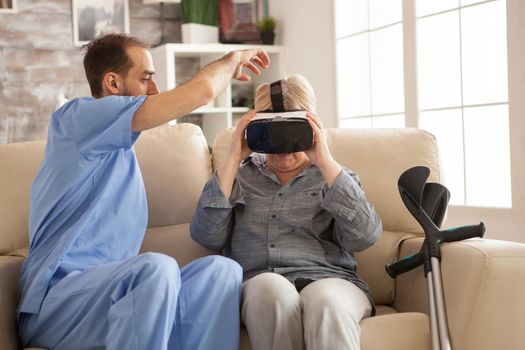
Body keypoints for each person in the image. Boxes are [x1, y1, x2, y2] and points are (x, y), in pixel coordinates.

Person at [17, 33, 270, 350]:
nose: (155, 90)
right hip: (55, 305)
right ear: (113, 83)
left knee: (222, 271)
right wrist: (230, 61)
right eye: (146, 78)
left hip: (111, 301)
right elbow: (202, 92)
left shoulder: (123, 150)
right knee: (156, 268)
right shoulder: (75, 120)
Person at [190, 74, 382, 350]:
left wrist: (324, 160)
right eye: (270, 133)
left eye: (292, 133)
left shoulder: (336, 177)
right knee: (271, 290)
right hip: (260, 282)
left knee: (327, 304)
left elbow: (365, 237)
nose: (281, 148)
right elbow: (207, 236)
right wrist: (232, 158)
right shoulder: (238, 176)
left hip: (330, 279)